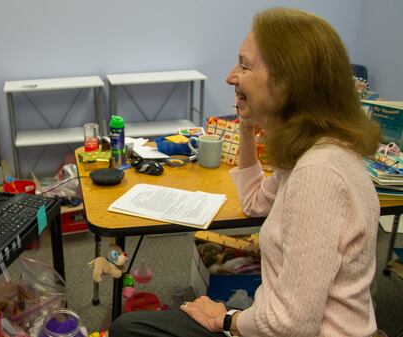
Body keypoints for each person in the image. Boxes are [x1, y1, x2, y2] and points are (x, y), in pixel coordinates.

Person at [110, 7, 381, 337]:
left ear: (286, 84)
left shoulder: (318, 174)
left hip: (287, 330)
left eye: (244, 65)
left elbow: (290, 325)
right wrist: (246, 125)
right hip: (277, 320)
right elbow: (254, 202)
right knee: (132, 325)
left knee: (129, 329)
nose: (230, 76)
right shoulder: (313, 151)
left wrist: (224, 318)